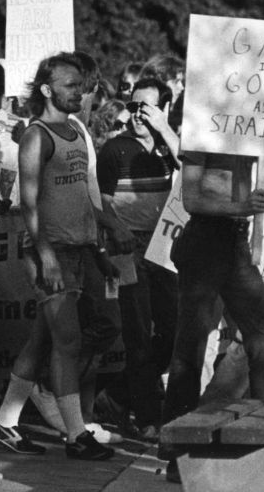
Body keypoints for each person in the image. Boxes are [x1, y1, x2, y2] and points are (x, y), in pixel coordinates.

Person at [0, 54, 119, 461]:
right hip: (51, 250)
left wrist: (101, 243)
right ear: (47, 90)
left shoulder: (77, 133)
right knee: (68, 340)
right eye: (69, 85)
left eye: (80, 86)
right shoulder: (37, 135)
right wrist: (44, 253)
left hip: (77, 249)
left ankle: (5, 421)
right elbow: (27, 203)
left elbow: (81, 198)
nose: (77, 92)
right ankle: (75, 434)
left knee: (42, 338)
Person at [159, 139, 264, 482]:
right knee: (191, 348)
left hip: (236, 241)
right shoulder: (204, 127)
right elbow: (192, 198)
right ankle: (177, 454)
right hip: (206, 241)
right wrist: (243, 203)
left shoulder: (247, 126)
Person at [96, 77, 178, 439]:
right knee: (138, 331)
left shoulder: (169, 146)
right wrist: (116, 230)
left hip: (165, 247)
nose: (138, 114)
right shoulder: (115, 150)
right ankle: (148, 417)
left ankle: (117, 394)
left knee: (173, 330)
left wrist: (166, 130)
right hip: (127, 249)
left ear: (165, 107)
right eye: (133, 106)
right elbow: (98, 202)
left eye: (148, 107)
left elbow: (190, 166)